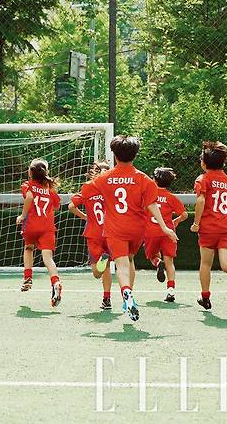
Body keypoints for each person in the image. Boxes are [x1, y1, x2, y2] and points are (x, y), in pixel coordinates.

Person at [81, 135, 178, 321]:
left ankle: (126, 293)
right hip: (136, 229)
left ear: (115, 155)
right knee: (130, 259)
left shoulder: (105, 178)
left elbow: (85, 191)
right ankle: (129, 295)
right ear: (135, 155)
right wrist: (165, 228)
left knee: (121, 264)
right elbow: (152, 205)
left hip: (115, 229)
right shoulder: (144, 179)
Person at [191, 141, 227, 310]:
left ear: (203, 163)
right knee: (226, 264)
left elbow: (201, 200)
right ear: (223, 162)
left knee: (205, 264)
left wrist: (196, 223)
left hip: (209, 228)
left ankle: (205, 298)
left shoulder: (203, 179)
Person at [16, 159, 63, 307]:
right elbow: (57, 206)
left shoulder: (27, 185)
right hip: (47, 227)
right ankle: (55, 281)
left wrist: (23, 215)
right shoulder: (50, 189)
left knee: (28, 248)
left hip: (31, 225)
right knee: (48, 258)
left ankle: (28, 277)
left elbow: (29, 197)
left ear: (30, 173)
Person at [68, 162, 113, 310]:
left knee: (97, 272)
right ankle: (107, 299)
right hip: (109, 233)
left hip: (95, 234)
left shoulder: (88, 187)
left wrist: (85, 217)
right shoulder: (112, 190)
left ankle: (107, 298)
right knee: (103, 269)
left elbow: (71, 206)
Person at [143, 168, 188, 302]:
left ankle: (158, 264)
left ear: (154, 180)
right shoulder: (171, 197)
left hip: (151, 232)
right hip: (168, 232)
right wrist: (176, 221)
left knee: (152, 256)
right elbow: (184, 214)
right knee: (170, 261)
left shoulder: (147, 196)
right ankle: (171, 290)